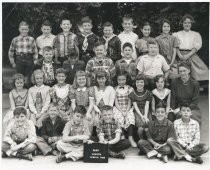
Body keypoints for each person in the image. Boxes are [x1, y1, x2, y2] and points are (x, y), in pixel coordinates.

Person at [173, 14, 208, 81]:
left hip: (191, 54)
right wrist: (180, 55)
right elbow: (175, 46)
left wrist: (188, 55)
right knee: (176, 70)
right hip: (179, 55)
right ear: (182, 24)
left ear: (191, 24)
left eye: (189, 23)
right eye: (185, 23)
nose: (187, 24)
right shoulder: (177, 34)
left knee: (202, 69)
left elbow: (196, 46)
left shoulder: (196, 34)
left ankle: (196, 85)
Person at [8, 21, 38, 86]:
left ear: (28, 30)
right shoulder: (15, 39)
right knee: (19, 76)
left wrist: (35, 60)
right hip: (19, 59)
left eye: (25, 29)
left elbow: (35, 51)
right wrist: (12, 62)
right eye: (22, 29)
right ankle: (21, 90)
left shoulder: (31, 39)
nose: (24, 31)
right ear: (19, 29)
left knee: (28, 77)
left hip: (29, 59)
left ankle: (28, 91)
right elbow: (11, 51)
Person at [113, 72, 136, 147]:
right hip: (118, 107)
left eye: (123, 79)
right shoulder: (115, 89)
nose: (121, 81)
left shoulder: (130, 88)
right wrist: (121, 111)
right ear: (117, 80)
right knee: (118, 118)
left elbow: (130, 101)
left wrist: (126, 111)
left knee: (130, 117)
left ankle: (130, 137)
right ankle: (122, 136)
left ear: (126, 79)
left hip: (127, 107)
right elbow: (116, 102)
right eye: (119, 80)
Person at [130, 74, 152, 140]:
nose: (139, 84)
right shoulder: (132, 93)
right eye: (138, 82)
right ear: (135, 83)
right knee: (140, 129)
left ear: (144, 83)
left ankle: (149, 140)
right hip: (137, 112)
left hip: (146, 111)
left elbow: (147, 105)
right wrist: (141, 116)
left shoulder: (148, 93)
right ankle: (141, 140)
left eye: (141, 82)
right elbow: (135, 106)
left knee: (147, 128)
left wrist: (145, 115)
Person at [28, 69, 51, 135]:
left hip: (44, 111)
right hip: (34, 111)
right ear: (34, 79)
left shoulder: (47, 88)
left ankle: (40, 133)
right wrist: (35, 112)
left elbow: (47, 102)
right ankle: (34, 134)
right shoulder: (31, 89)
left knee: (42, 118)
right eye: (37, 78)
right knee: (32, 119)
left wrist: (41, 113)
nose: (39, 80)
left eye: (41, 78)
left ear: (43, 78)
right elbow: (31, 103)